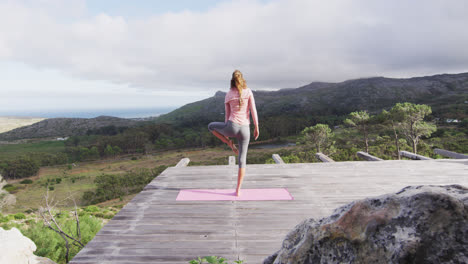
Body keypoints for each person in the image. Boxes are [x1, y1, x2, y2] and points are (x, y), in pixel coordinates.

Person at [208, 70, 259, 196]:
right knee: (242, 160)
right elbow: (253, 111)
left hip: (232, 127)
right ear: (242, 79)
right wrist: (257, 127)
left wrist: (226, 134)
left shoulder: (228, 94)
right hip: (246, 129)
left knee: (210, 126)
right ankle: (238, 190)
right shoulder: (249, 91)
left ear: (232, 80)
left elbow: (227, 115)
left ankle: (229, 143)